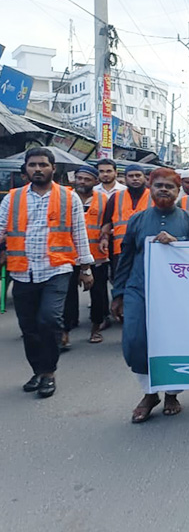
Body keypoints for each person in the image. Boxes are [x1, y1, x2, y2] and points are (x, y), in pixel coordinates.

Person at [112, 168, 189, 423]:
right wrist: (118, 293)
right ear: (150, 189)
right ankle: (150, 393)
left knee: (174, 343)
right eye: (159, 186)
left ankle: (172, 394)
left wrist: (178, 244)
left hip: (177, 294)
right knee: (135, 341)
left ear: (178, 191)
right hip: (139, 288)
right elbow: (126, 257)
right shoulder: (137, 220)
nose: (164, 190)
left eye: (169, 187)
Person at [0, 148, 94, 399]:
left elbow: (79, 233)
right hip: (22, 271)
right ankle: (38, 371)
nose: (38, 169)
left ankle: (49, 372)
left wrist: (85, 267)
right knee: (28, 327)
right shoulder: (12, 198)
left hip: (57, 269)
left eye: (43, 164)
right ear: (26, 169)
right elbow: (1, 228)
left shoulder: (69, 197)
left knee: (49, 320)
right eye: (32, 165)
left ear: (53, 168)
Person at [64, 165, 111, 346]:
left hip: (97, 255)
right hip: (69, 255)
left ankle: (96, 328)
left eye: (87, 179)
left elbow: (108, 223)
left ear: (95, 181)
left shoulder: (104, 199)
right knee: (68, 294)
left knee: (97, 294)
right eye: (79, 178)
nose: (82, 182)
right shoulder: (66, 198)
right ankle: (66, 329)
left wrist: (105, 236)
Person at [100, 164, 152, 277]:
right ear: (125, 178)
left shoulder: (154, 196)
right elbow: (107, 224)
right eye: (131, 176)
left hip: (147, 249)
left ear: (145, 178)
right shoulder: (116, 197)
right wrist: (104, 238)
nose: (135, 179)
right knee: (120, 281)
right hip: (121, 250)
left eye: (138, 175)